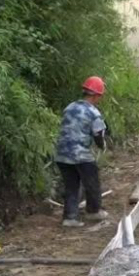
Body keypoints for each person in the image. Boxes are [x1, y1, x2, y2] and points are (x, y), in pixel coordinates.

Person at [55, 76, 110, 228]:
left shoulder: (70, 107)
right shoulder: (93, 113)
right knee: (92, 182)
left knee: (71, 185)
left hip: (62, 154)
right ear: (96, 95)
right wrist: (102, 146)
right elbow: (99, 134)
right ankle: (93, 211)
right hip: (81, 155)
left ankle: (70, 217)